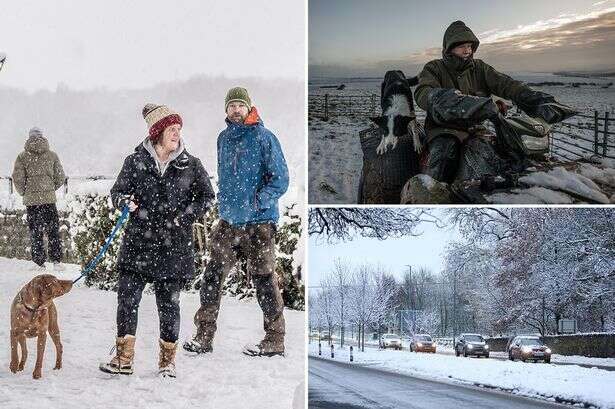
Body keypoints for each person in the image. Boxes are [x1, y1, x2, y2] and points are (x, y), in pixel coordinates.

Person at [99, 104, 215, 378]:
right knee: (127, 300)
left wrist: (185, 217)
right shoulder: (135, 161)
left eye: (178, 129)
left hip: (173, 247)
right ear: (158, 132)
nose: (176, 134)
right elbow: (117, 193)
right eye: (171, 129)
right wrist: (125, 202)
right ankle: (123, 358)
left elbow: (207, 197)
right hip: (137, 243)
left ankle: (167, 362)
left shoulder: (191, 164)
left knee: (169, 305)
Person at [183, 87, 289, 357]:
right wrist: (225, 204)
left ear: (250, 108)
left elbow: (280, 179)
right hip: (228, 222)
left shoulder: (265, 138)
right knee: (211, 278)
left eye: (241, 105)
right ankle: (203, 336)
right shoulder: (223, 139)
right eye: (232, 106)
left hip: (259, 223)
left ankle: (274, 340)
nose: (236, 110)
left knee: (264, 281)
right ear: (226, 111)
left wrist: (257, 202)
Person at [414, 20, 561, 183]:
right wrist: (451, 100)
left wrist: (532, 98)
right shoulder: (434, 68)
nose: (467, 50)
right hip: (443, 128)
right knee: (443, 154)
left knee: (500, 153)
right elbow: (423, 93)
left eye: (470, 46)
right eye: (462, 46)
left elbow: (505, 84)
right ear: (449, 47)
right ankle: (430, 192)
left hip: (475, 127)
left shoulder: (480, 68)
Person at [12, 127, 66, 271]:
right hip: (48, 200)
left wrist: (25, 191)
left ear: (29, 138)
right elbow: (60, 176)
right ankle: (56, 261)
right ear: (43, 137)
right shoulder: (52, 156)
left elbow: (17, 178)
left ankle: (39, 263)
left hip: (32, 202)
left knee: (36, 231)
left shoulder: (22, 157)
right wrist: (49, 188)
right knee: (53, 230)